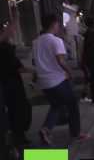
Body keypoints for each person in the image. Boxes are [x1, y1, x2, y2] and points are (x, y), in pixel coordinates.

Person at [33, 14, 90, 145]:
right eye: (58, 24)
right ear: (54, 24)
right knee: (72, 105)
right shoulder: (55, 41)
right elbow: (61, 60)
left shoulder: (36, 42)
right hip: (58, 80)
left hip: (44, 82)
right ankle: (76, 133)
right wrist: (70, 72)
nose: (59, 26)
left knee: (56, 105)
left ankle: (45, 129)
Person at [0, 20, 33, 160]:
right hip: (9, 85)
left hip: (9, 85)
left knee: (17, 112)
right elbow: (17, 67)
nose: (12, 32)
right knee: (17, 112)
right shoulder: (5, 49)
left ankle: (17, 144)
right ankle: (17, 146)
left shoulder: (7, 48)